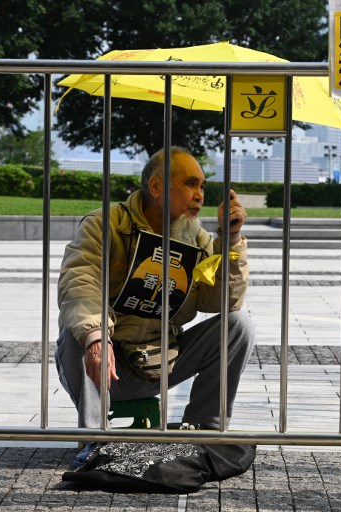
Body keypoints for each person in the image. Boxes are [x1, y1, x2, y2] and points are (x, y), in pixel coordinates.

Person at [55, 146, 255, 442]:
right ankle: (95, 439)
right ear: (156, 186)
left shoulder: (198, 239)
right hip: (104, 365)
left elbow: (220, 302)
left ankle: (204, 429)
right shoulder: (105, 225)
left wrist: (231, 240)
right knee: (79, 331)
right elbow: (79, 281)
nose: (199, 195)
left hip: (163, 360)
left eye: (202, 186)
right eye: (190, 184)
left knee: (238, 324)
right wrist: (96, 337)